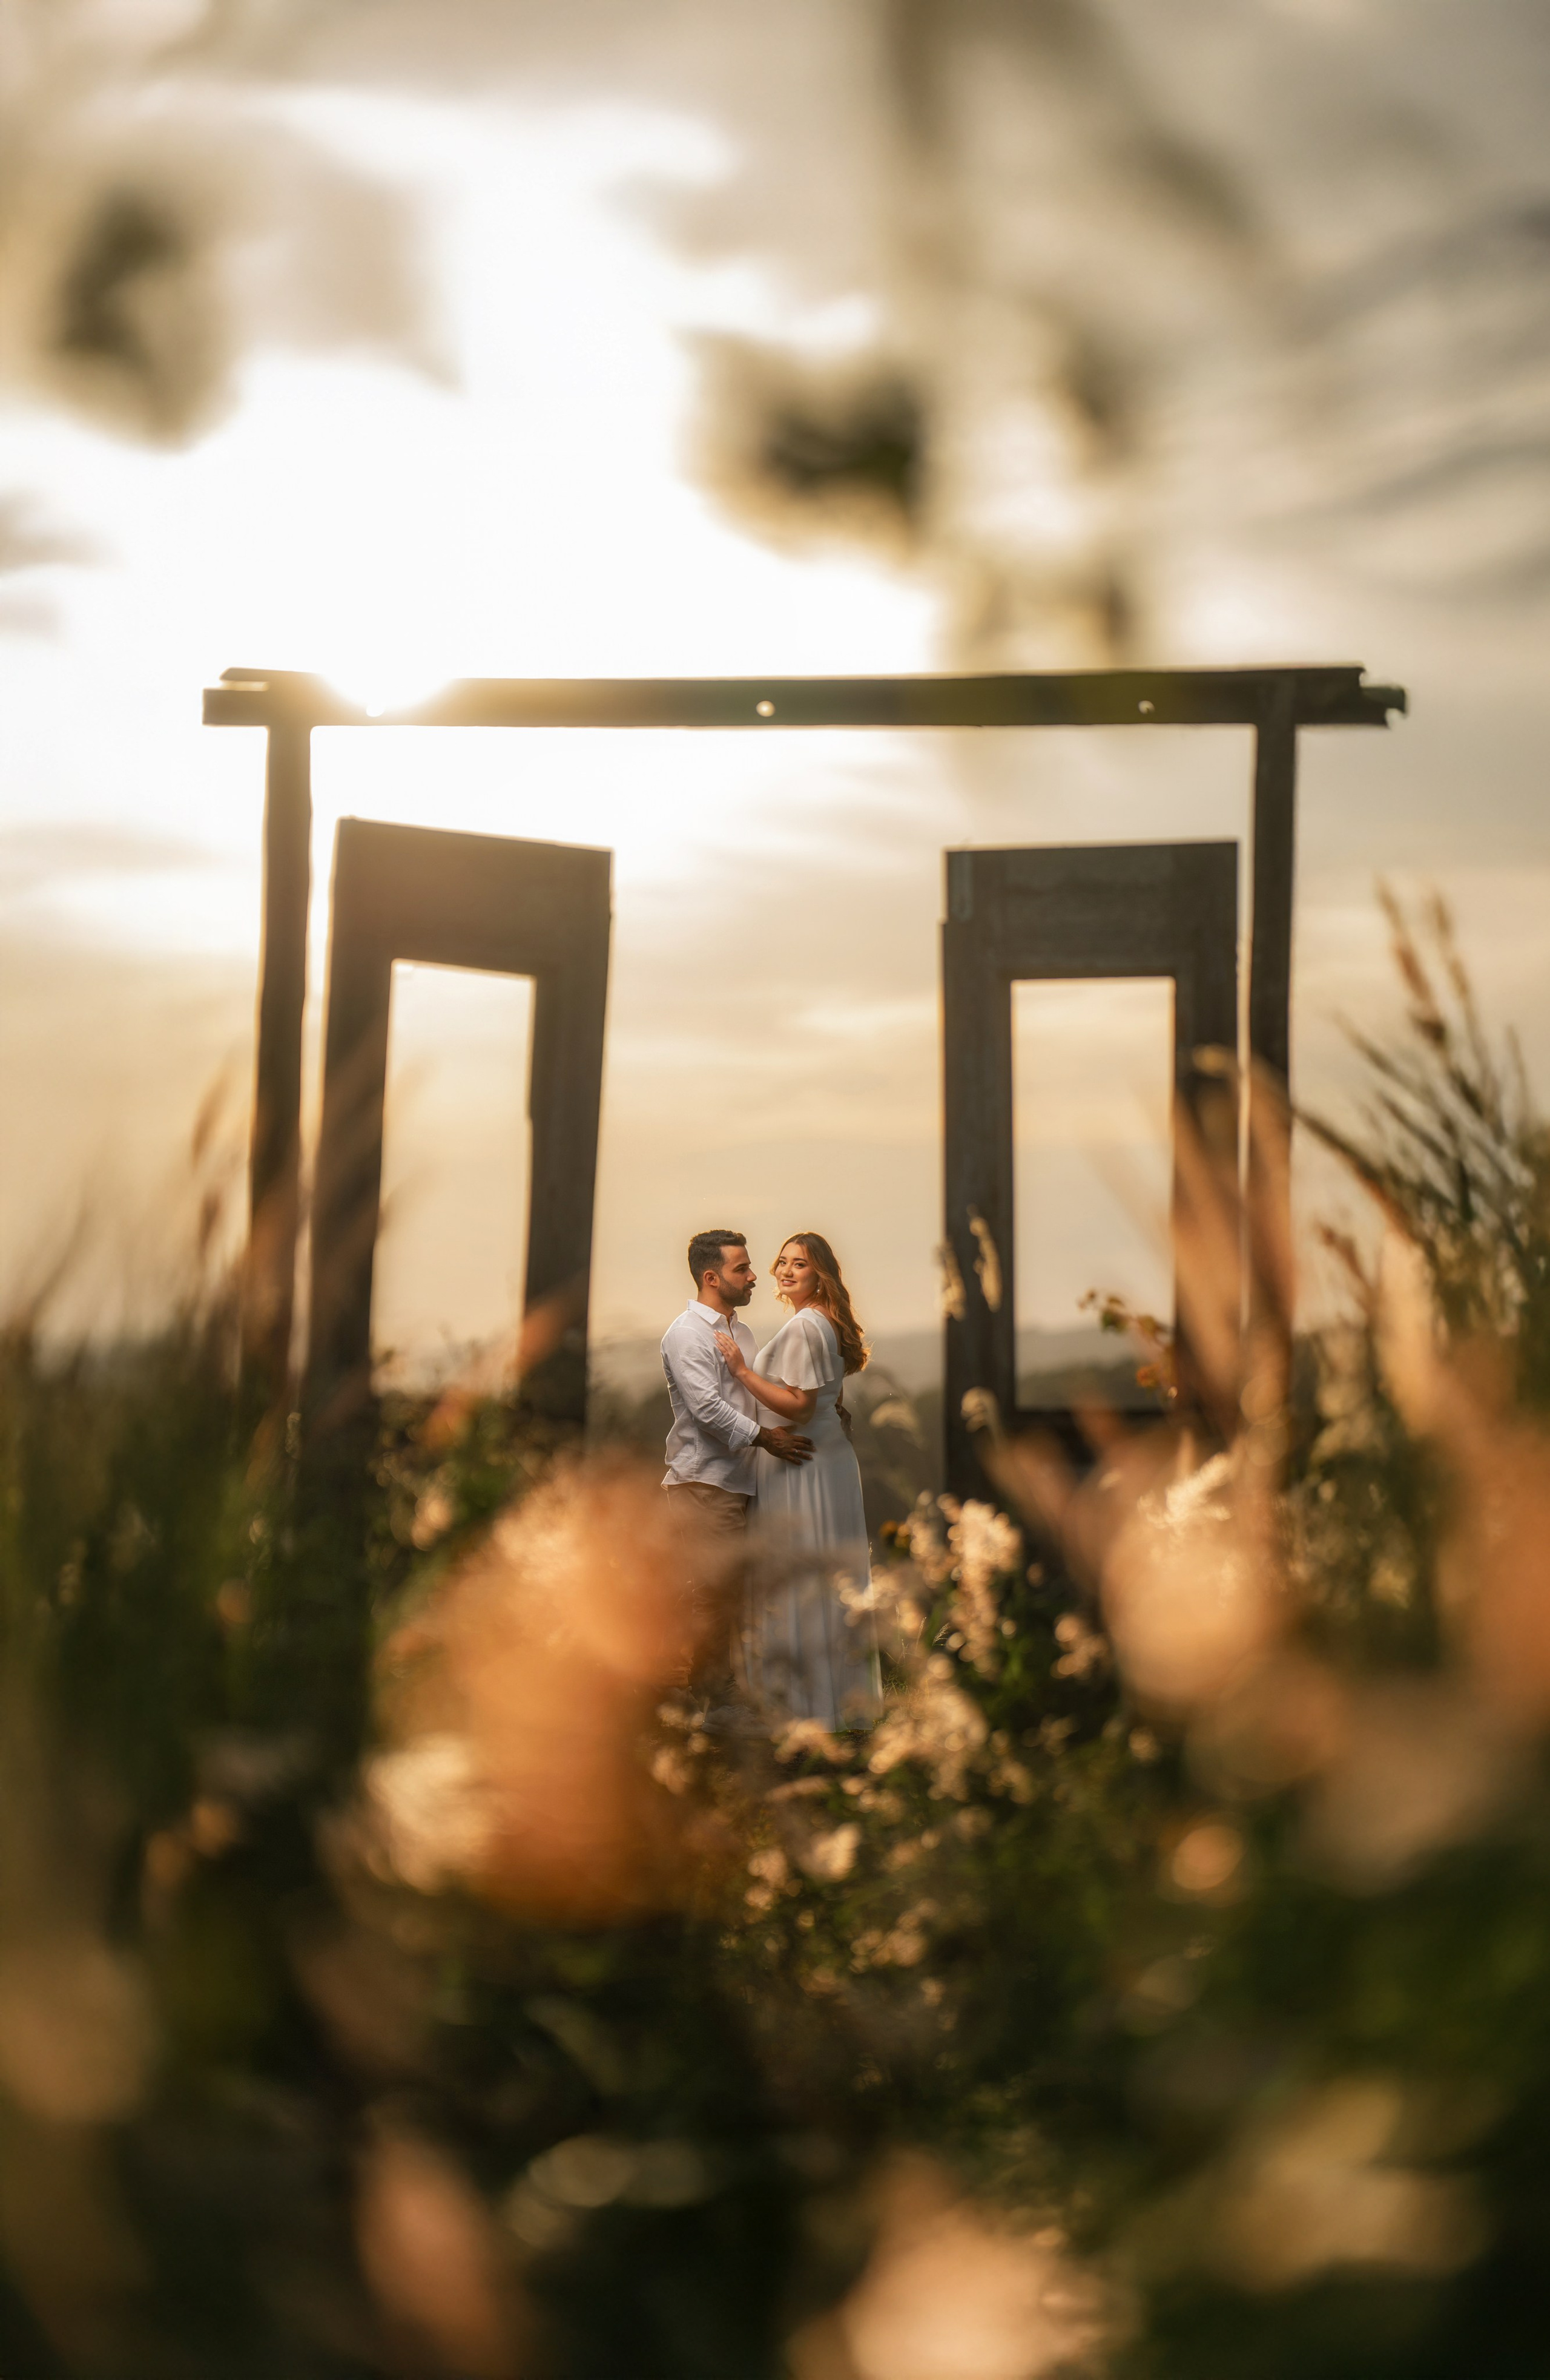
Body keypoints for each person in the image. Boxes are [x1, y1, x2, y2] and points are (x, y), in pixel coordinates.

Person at [715, 1232, 879, 1731]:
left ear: (820, 1274)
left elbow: (801, 1406)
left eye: (800, 1264)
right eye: (782, 1262)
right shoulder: (820, 1321)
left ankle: (805, 1706)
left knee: (801, 1576)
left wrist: (742, 1371)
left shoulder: (808, 1326)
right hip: (824, 1464)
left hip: (802, 1465)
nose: (786, 1271)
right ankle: (832, 1701)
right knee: (821, 1578)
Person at [661, 1230, 813, 1696]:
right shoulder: (687, 1335)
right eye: (741, 1269)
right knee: (714, 1596)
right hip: (706, 1484)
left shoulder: (739, 1331)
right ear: (711, 1277)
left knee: (734, 1593)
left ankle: (723, 1698)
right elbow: (708, 1411)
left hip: (741, 1482)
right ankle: (710, 1707)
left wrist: (820, 1406)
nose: (753, 1277)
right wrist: (769, 1440)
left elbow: (752, 1396)